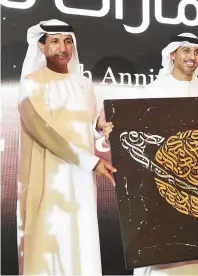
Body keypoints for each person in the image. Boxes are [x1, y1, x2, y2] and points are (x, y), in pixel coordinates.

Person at [103, 33, 198, 276]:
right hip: (159, 190)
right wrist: (107, 129)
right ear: (172, 54)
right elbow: (129, 133)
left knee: (195, 260)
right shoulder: (152, 91)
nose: (192, 57)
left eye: (196, 52)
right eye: (186, 51)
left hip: (197, 195)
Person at [17, 19, 116, 275]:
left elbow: (87, 128)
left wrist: (98, 125)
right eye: (55, 41)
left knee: (82, 248)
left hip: (81, 185)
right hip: (50, 183)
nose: (63, 48)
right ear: (41, 46)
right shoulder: (32, 82)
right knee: (50, 252)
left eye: (68, 41)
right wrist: (90, 162)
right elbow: (43, 130)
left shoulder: (84, 84)